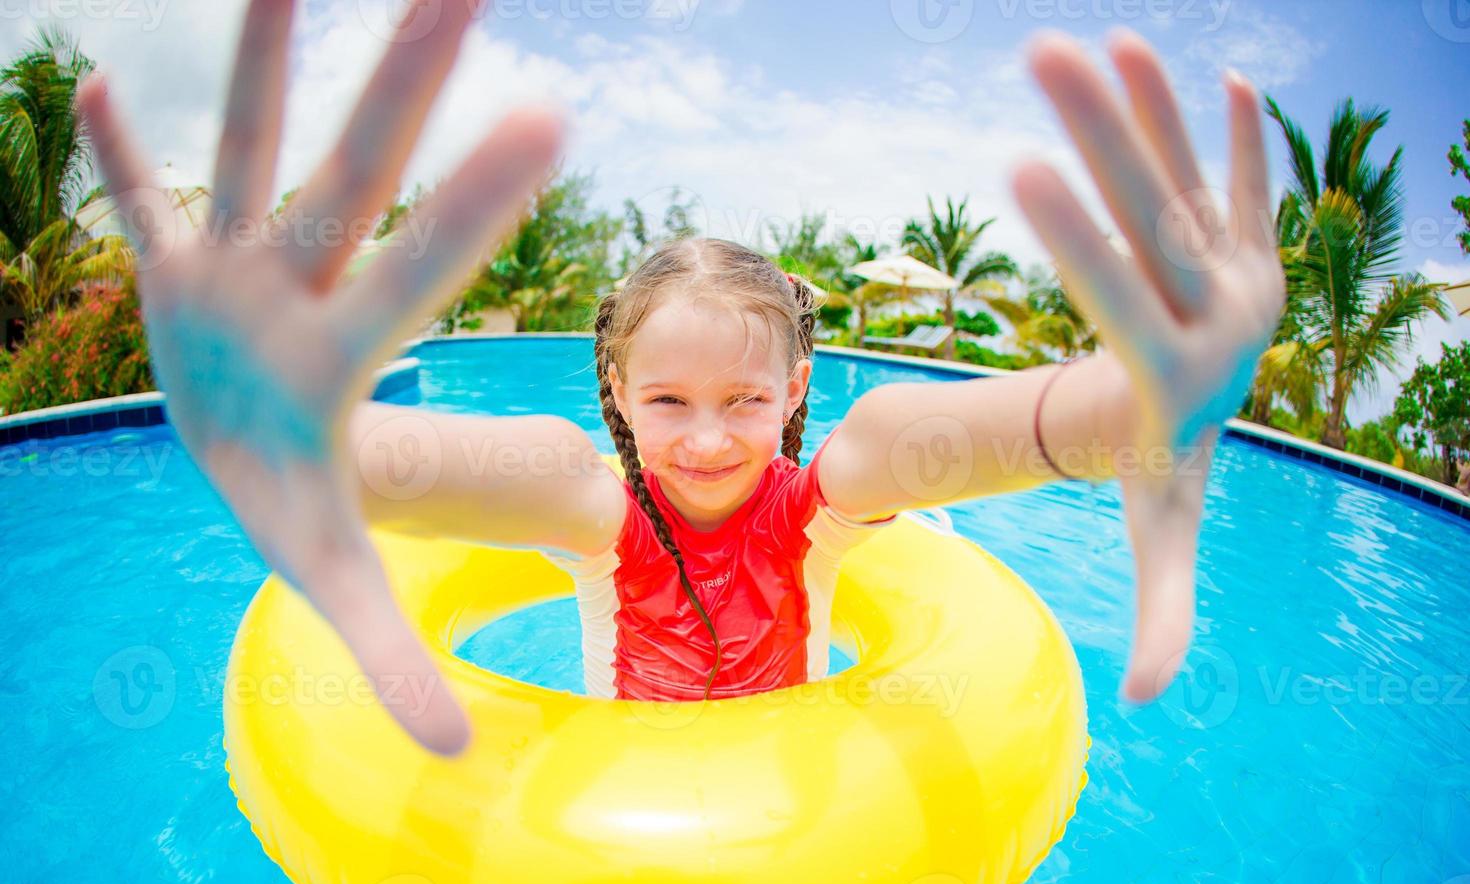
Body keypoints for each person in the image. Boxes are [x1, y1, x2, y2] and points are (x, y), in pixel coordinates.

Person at [74, 0, 1286, 756]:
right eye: (666, 401)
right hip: (607, 846)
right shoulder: (592, 510)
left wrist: (1129, 402)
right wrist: (277, 436)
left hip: (805, 842)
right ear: (614, 381)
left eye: (747, 401)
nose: (708, 439)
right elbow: (451, 472)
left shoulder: (823, 503)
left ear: (796, 383)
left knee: (882, 437)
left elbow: (968, 434)